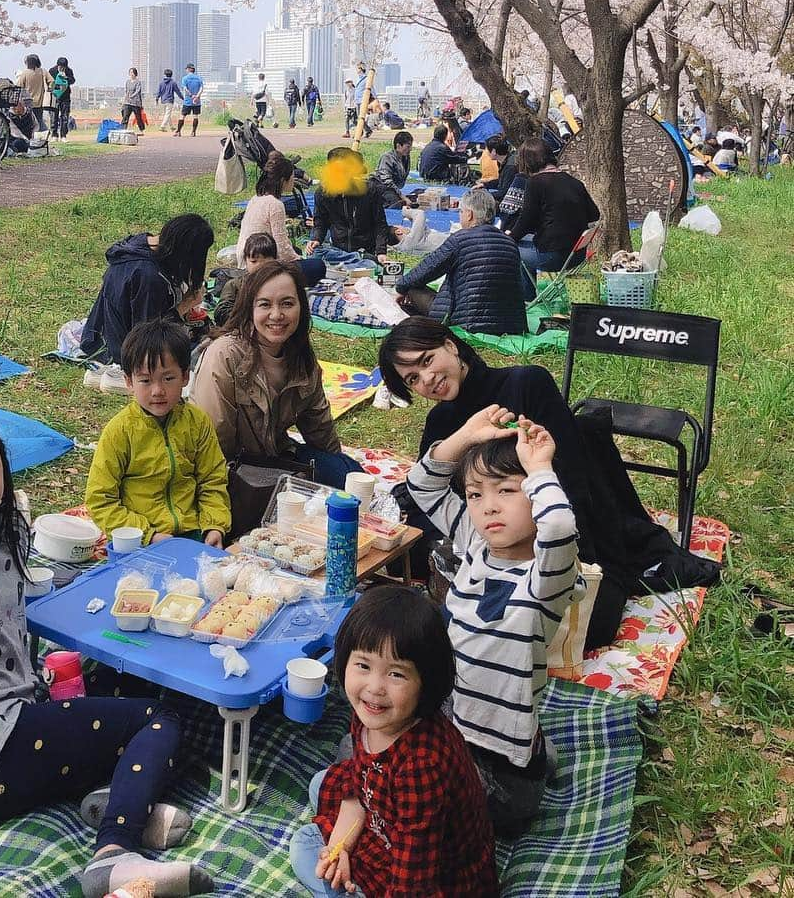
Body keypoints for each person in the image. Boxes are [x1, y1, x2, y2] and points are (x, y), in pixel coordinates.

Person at [0, 408, 211, 898]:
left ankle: (118, 800)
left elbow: (11, 623)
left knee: (148, 682)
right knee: (160, 722)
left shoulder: (1, 534)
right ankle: (114, 853)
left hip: (22, 714)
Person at [377, 317, 719, 647]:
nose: (427, 379)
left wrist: (578, 560)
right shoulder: (442, 421)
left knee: (589, 623)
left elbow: (572, 476)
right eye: (412, 379)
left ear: (450, 346)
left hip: (551, 536)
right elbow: (426, 493)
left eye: (427, 360)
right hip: (487, 542)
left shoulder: (525, 384)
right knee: (407, 561)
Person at [406, 410, 576, 836]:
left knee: (414, 803)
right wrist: (464, 435)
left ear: (537, 495)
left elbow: (557, 525)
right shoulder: (475, 547)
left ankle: (533, 761)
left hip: (501, 776)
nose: (489, 507)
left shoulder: (547, 577)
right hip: (459, 719)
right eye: (476, 495)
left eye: (507, 490)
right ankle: (539, 750)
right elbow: (421, 486)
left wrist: (538, 467)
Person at [289, 586, 497, 897]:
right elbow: (357, 780)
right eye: (363, 665)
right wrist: (339, 850)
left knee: (304, 845)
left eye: (396, 674)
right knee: (322, 783)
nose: (375, 687)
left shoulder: (420, 766)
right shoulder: (372, 714)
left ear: (426, 682)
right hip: (391, 819)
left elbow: (413, 883)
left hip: (435, 875)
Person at [189, 259, 363, 489]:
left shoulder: (300, 356)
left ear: (301, 307)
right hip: (231, 468)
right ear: (250, 309)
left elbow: (319, 426)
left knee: (350, 474)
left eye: (287, 303)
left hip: (276, 455)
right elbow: (213, 442)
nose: (276, 315)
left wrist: (335, 464)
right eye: (264, 305)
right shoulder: (225, 354)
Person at [85, 320, 231, 548]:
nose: (157, 391)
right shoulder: (120, 431)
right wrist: (147, 534)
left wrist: (214, 525)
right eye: (145, 380)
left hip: (193, 533)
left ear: (185, 377)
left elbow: (212, 479)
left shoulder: (197, 422)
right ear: (129, 382)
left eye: (168, 378)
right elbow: (100, 500)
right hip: (138, 538)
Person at [80, 213, 215, 369]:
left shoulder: (140, 244)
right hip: (118, 350)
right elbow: (148, 337)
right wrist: (184, 305)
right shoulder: (148, 277)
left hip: (98, 334)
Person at [395, 188, 527, 336]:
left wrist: (401, 287)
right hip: (513, 324)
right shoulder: (510, 243)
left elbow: (425, 270)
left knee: (413, 288)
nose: (460, 216)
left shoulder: (460, 239)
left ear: (469, 214)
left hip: (468, 320)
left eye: (461, 212)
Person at [507, 135, 599, 284]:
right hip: (578, 254)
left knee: (512, 249)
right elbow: (594, 214)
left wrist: (507, 239)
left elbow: (525, 222)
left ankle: (527, 297)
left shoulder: (535, 183)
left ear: (528, 162)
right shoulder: (573, 181)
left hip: (554, 256)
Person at [237, 150, 326, 286]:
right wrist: (299, 259)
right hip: (263, 266)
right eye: (292, 177)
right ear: (283, 180)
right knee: (318, 266)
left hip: (246, 259)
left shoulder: (256, 198)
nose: (293, 180)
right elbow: (281, 247)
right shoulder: (275, 204)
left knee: (296, 250)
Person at [305, 147, 392, 262]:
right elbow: (320, 222)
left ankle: (361, 259)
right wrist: (316, 239)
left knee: (369, 263)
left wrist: (381, 252)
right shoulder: (322, 193)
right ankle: (356, 259)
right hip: (337, 249)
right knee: (314, 255)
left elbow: (380, 223)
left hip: (365, 248)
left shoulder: (370, 190)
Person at [213, 231, 277, 327]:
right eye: (254, 261)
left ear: (275, 261)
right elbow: (221, 312)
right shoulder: (235, 285)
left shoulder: (282, 284)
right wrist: (249, 318)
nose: (259, 266)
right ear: (246, 261)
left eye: (266, 262)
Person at [374, 130, 414, 209]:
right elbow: (386, 181)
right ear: (398, 146)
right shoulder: (387, 158)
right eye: (408, 146)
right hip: (382, 189)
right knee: (397, 203)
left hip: (394, 189)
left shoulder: (405, 157)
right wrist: (402, 196)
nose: (410, 149)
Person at [14, 55, 52, 131]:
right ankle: (43, 136)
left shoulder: (25, 73)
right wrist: (50, 89)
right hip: (39, 102)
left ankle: (32, 137)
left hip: (27, 102)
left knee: (29, 122)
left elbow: (18, 86)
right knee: (39, 120)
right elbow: (52, 81)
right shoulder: (42, 71)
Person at [483, 135, 517, 203]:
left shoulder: (510, 166)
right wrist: (485, 185)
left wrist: (483, 196)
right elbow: (502, 180)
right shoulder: (504, 161)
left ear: (494, 151)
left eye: (487, 150)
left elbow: (505, 192)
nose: (486, 152)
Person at [173, 64, 203, 137]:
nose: (186, 70)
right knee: (195, 116)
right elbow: (201, 89)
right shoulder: (199, 78)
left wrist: (191, 96)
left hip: (188, 101)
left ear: (189, 69)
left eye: (186, 69)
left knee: (182, 116)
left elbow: (185, 89)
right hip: (197, 101)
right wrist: (197, 96)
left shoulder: (185, 78)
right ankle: (193, 132)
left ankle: (178, 131)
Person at [48, 58, 74, 138]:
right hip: (55, 96)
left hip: (65, 97)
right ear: (57, 65)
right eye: (61, 67)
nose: (62, 69)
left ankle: (63, 135)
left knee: (65, 116)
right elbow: (49, 83)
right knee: (53, 116)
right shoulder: (52, 71)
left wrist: (66, 77)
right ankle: (54, 134)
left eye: (64, 67)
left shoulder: (69, 71)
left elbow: (73, 80)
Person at [156, 68, 179, 132]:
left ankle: (171, 127)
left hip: (163, 100)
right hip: (169, 100)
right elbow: (178, 91)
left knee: (167, 114)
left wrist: (157, 99)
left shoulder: (161, 83)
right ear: (171, 75)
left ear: (164, 75)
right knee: (167, 114)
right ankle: (162, 126)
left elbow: (158, 92)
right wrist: (182, 98)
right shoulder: (173, 83)